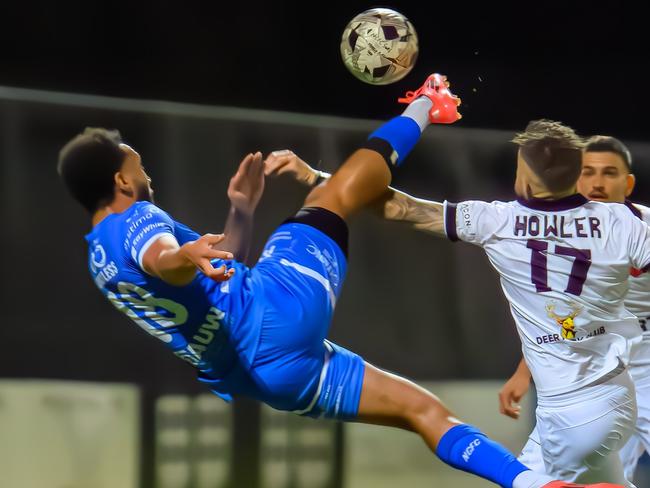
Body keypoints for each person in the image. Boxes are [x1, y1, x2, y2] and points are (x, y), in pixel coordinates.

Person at [57, 73, 614, 488]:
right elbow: (162, 258)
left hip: (269, 377)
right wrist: (183, 256)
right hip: (275, 314)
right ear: (119, 180)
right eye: (135, 165)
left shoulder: (98, 261)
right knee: (333, 195)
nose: (144, 171)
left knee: (420, 411)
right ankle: (428, 101)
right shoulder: (137, 221)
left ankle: (533, 484)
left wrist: (241, 213)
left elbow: (210, 268)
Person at [272, 119, 647, 486]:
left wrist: (319, 182)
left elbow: (400, 207)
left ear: (528, 182)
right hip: (619, 390)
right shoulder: (626, 221)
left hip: (571, 410)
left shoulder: (498, 221)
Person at [498, 135, 650, 484]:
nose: (597, 183)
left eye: (609, 173)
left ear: (627, 183)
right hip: (598, 373)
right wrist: (524, 374)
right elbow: (561, 316)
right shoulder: (562, 234)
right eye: (587, 172)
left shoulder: (642, 229)